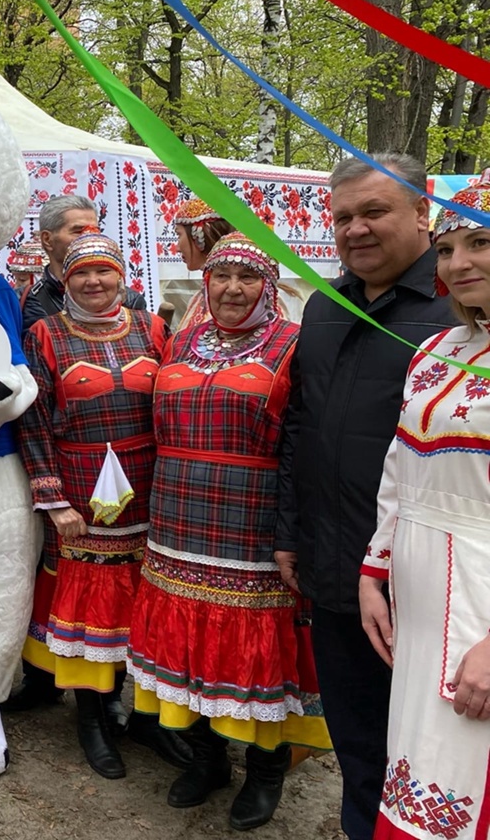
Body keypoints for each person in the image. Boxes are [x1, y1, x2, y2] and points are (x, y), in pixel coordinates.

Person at [275, 154, 452, 840]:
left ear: (421, 213)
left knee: (431, 750)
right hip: (333, 570)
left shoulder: (457, 311)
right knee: (355, 744)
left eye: (374, 212)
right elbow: (300, 429)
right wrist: (290, 534)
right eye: (343, 216)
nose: (356, 230)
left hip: (425, 580)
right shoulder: (323, 308)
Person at [129, 233, 330, 831]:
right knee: (186, 647)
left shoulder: (293, 346)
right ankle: (208, 759)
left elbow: (302, 445)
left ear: (268, 286)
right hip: (173, 519)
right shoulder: (182, 342)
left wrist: (292, 529)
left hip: (252, 524)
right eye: (221, 277)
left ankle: (265, 771)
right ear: (205, 282)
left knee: (253, 654)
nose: (232, 288)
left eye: (247, 277)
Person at [16, 230, 189, 779]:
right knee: (90, 610)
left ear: (122, 276)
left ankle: (138, 713)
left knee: (142, 605)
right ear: (65, 279)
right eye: (81, 273)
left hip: (149, 488)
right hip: (82, 493)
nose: (93, 282)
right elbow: (33, 421)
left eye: (104, 271)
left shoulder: (153, 329)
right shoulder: (45, 335)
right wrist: (52, 499)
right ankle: (91, 717)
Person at [359, 187, 490, 839]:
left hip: (480, 604)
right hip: (420, 605)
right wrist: (373, 569)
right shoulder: (438, 351)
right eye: (447, 249)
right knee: (413, 770)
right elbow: (399, 470)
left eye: (481, 241)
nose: (459, 261)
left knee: (465, 784)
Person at [167, 197, 303, 330]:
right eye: (222, 276)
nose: (233, 289)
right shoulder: (201, 298)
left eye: (179, 235)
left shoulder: (265, 301)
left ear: (200, 234)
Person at [21, 195, 147, 330]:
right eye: (78, 231)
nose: (89, 237)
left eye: (95, 230)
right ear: (47, 240)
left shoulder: (129, 301)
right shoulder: (23, 302)